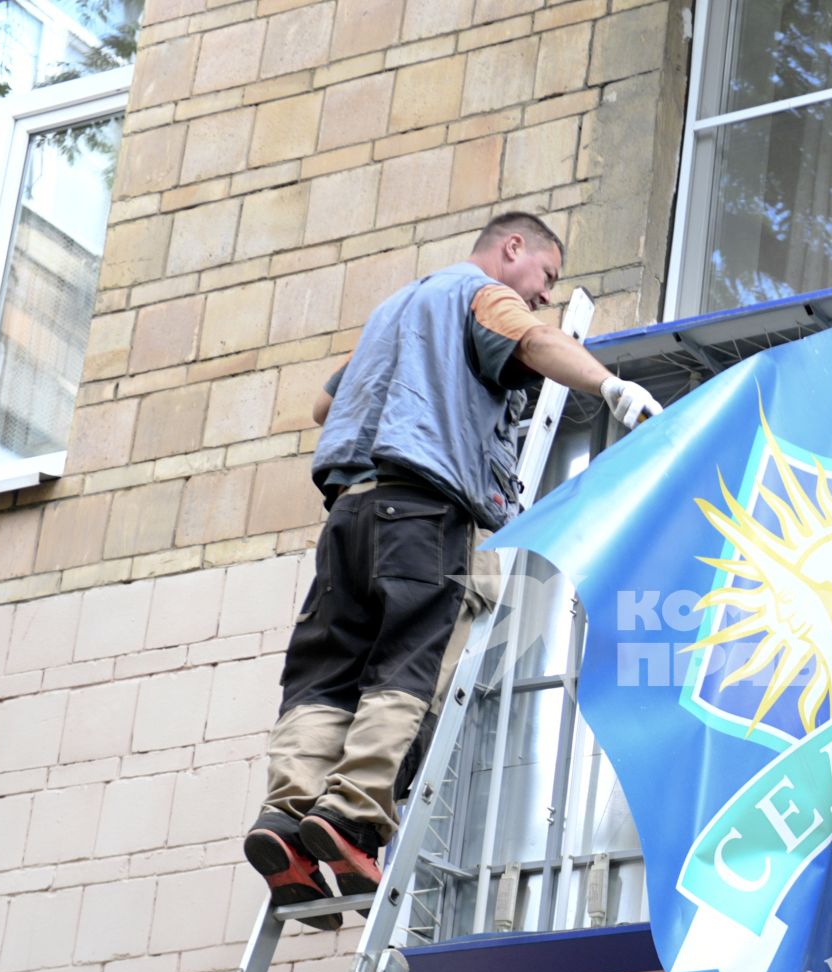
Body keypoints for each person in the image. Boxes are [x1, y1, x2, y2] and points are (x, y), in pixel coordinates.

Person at [244, 210, 661, 927]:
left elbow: (323, 404)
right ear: (511, 249)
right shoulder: (478, 295)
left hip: (348, 510)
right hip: (423, 508)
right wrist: (609, 387)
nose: (544, 295)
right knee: (407, 662)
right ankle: (351, 816)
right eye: (545, 277)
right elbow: (531, 339)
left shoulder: (393, 311)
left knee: (325, 674)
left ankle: (286, 821)